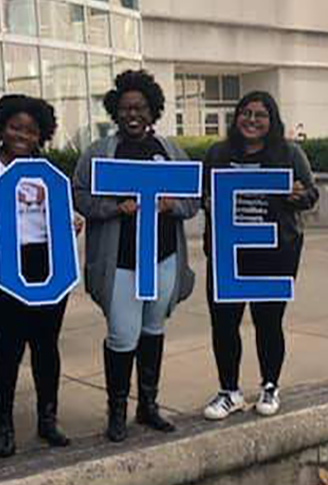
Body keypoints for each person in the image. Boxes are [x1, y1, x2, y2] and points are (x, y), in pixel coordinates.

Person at [73, 70, 200, 442]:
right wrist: (114, 207)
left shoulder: (170, 151)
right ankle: (117, 412)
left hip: (163, 258)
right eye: (126, 107)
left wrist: (172, 204)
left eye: (141, 107)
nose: (133, 114)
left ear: (152, 110)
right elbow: (79, 195)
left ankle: (148, 405)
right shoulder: (99, 153)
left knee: (153, 329)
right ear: (116, 111)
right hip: (120, 262)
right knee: (122, 334)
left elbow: (193, 200)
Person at [0, 94, 80, 458]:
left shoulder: (52, 173)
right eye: (15, 127)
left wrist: (73, 222)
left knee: (46, 347)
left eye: (30, 130)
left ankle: (48, 420)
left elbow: (65, 213)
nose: (21, 135)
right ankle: (4, 426)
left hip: (46, 267)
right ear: (1, 127)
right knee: (7, 350)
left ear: (41, 134)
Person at [201, 91, 318, 421]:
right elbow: (200, 193)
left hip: (274, 252)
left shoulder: (289, 153)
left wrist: (298, 195)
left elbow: (311, 194)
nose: (251, 120)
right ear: (237, 117)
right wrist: (206, 201)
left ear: (272, 120)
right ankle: (229, 391)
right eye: (246, 113)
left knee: (268, 322)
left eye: (260, 115)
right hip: (228, 252)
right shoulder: (218, 153)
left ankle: (270, 386)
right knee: (224, 323)